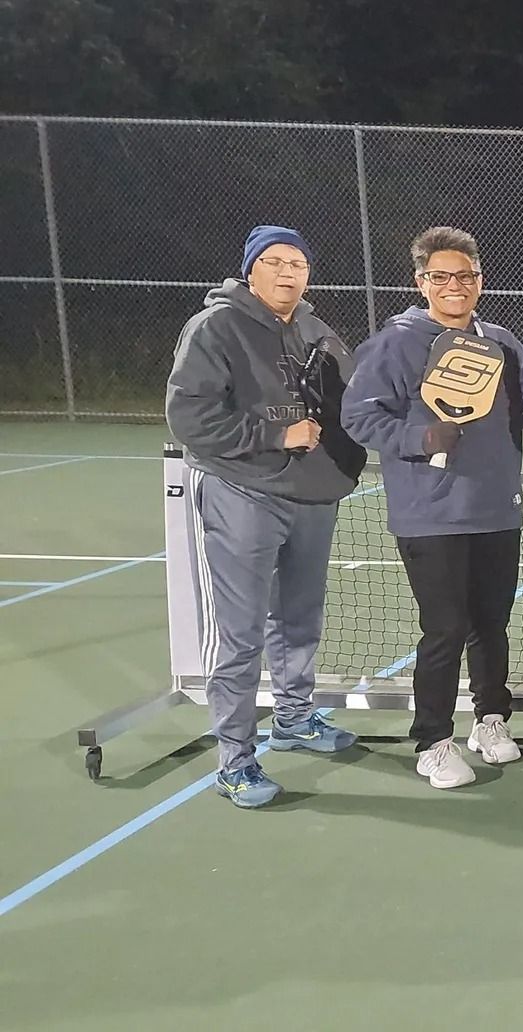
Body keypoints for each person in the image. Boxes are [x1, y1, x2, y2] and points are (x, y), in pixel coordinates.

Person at [343, 227, 523, 789]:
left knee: (492, 625)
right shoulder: (396, 342)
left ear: (480, 281)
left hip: (497, 510)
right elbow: (359, 416)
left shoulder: (502, 343)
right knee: (444, 629)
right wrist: (420, 438)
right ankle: (433, 740)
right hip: (429, 515)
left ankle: (491, 720)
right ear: (421, 282)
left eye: (466, 276)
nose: (455, 286)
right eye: (441, 277)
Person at [164, 225, 361, 809]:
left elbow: (352, 399)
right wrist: (277, 435)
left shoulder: (315, 329)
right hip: (242, 492)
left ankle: (295, 718)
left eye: (298, 263)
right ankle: (235, 760)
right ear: (250, 269)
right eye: (274, 262)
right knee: (242, 631)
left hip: (311, 495)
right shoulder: (215, 328)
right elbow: (190, 419)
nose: (287, 272)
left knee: (300, 618)